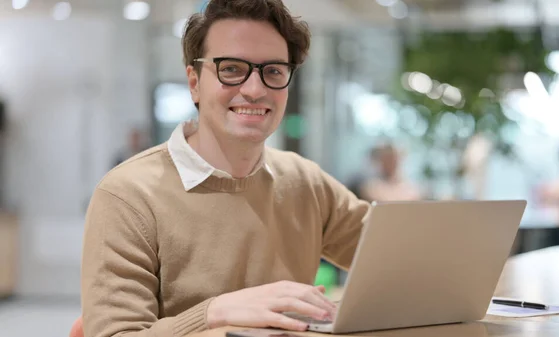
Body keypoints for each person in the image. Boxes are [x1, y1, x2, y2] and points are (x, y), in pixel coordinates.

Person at [79, 1, 370, 337]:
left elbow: (395, 258)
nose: (255, 89)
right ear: (194, 82)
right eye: (231, 69)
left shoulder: (305, 182)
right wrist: (215, 312)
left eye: (274, 71)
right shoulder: (128, 196)